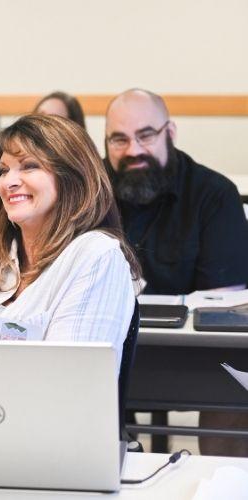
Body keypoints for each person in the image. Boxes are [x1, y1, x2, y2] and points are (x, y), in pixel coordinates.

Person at [0, 114, 138, 371]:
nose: (9, 182)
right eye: (4, 170)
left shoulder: (96, 256)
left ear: (72, 177)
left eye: (29, 166)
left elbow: (71, 382)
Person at [104, 88, 248, 457]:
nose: (133, 150)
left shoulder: (214, 194)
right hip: (107, 341)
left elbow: (228, 301)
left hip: (194, 353)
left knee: (234, 385)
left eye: (146, 135)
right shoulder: (92, 192)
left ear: (170, 133)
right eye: (119, 139)